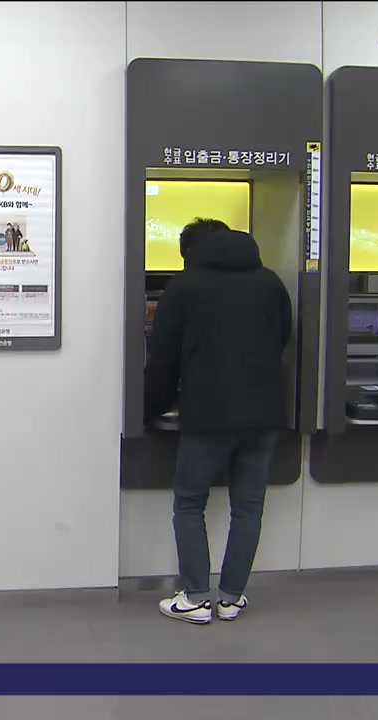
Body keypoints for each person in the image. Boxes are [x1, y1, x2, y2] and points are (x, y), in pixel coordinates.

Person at [144, 218, 292, 625]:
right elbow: (282, 338)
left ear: (191, 252)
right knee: (249, 508)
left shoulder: (185, 286)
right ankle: (230, 597)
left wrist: (152, 406)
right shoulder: (270, 283)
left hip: (208, 413)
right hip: (264, 413)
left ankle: (195, 597)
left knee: (191, 502)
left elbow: (163, 356)